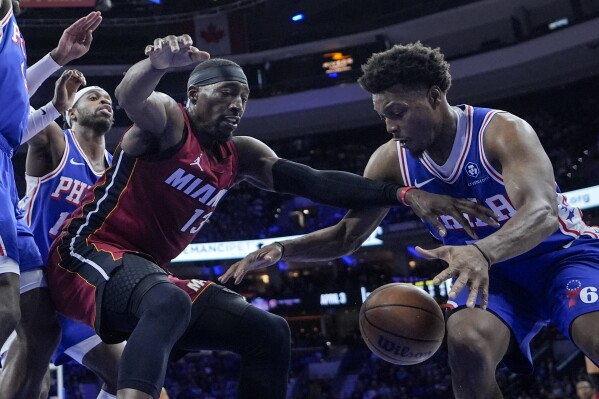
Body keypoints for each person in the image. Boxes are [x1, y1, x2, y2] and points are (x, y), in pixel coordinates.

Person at [44, 35, 497, 399]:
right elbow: (131, 95)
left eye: (243, 97)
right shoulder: (169, 122)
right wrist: (158, 64)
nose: (237, 105)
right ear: (195, 94)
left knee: (269, 331)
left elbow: (313, 181)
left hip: (144, 273)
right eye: (226, 94)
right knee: (168, 299)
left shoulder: (240, 155)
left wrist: (404, 194)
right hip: (84, 253)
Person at [221, 42, 599, 399]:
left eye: (397, 112)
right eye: (383, 115)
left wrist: (482, 251)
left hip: (562, 258)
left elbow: (542, 214)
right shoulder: (390, 162)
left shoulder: (500, 131)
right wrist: (283, 248)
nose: (389, 125)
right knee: (466, 342)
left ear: (435, 97)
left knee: (593, 337)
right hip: (494, 279)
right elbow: (348, 237)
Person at [0, 78, 124, 399]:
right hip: (33, 283)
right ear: (72, 114)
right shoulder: (56, 140)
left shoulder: (118, 172)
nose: (103, 101)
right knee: (33, 386)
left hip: (73, 293)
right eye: (93, 97)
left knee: (129, 374)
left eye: (107, 97)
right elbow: (12, 112)